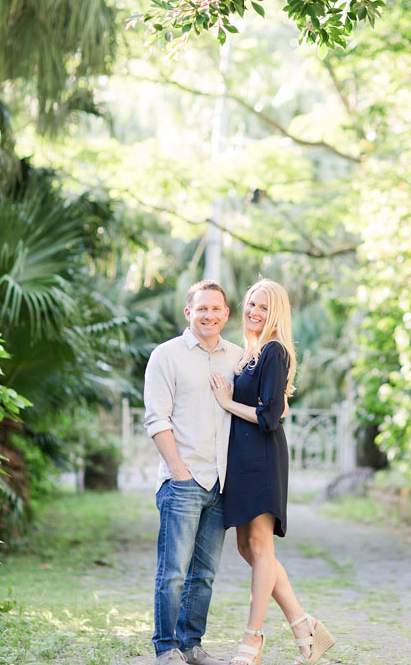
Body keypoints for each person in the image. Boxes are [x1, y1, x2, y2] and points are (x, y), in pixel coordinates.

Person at [209, 279, 336, 665]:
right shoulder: (253, 352)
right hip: (244, 460)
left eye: (263, 307)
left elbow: (268, 419)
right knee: (248, 547)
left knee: (262, 548)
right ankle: (305, 627)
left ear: (276, 312)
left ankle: (253, 639)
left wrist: (227, 403)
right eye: (250, 304)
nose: (254, 312)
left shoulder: (275, 351)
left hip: (262, 459)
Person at [144, 280, 245, 665]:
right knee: (173, 572)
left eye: (216, 309)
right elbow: (157, 419)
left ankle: (191, 644)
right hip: (183, 481)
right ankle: (166, 647)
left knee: (204, 575)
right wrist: (178, 471)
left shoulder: (236, 357)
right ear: (189, 313)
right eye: (201, 308)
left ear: (226, 314)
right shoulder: (166, 356)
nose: (209, 315)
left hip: (221, 483)